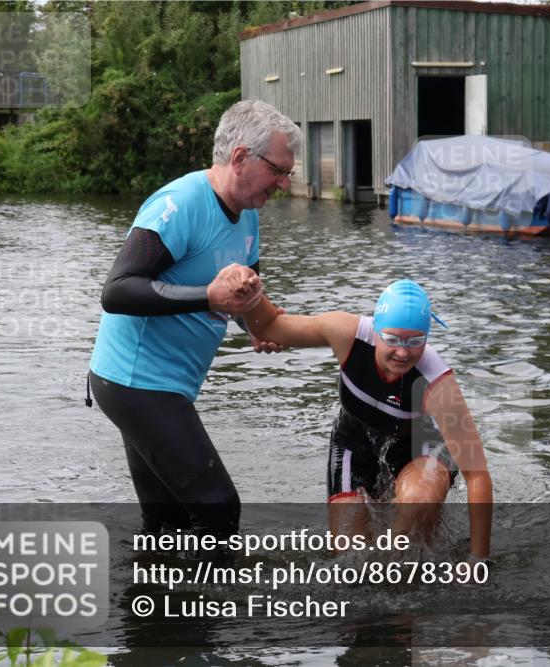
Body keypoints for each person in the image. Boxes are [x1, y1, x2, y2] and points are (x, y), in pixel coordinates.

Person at [88, 99, 302, 548]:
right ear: (241, 157)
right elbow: (117, 291)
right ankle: (214, 613)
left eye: (288, 173)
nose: (284, 183)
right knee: (218, 508)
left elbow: (245, 297)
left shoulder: (247, 215)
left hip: (162, 386)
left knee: (168, 523)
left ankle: (153, 609)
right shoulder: (181, 204)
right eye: (279, 170)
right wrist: (208, 295)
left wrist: (256, 327)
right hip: (135, 382)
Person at [243, 279, 493, 560]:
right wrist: (250, 297)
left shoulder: (436, 381)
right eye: (392, 339)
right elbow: (269, 327)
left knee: (414, 510)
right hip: (354, 441)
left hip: (420, 446)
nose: (402, 352)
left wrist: (477, 560)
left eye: (415, 341)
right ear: (376, 329)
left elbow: (478, 475)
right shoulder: (346, 333)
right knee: (350, 559)